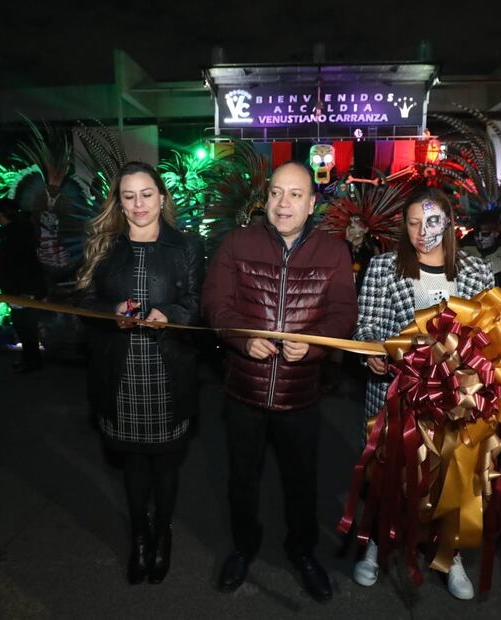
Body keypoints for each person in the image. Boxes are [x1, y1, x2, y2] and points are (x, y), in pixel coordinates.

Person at [202, 161, 357, 602]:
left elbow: (343, 313)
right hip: (243, 392)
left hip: (300, 394)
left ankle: (302, 552)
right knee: (241, 478)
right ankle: (242, 546)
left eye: (294, 194)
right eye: (275, 193)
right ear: (265, 198)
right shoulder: (237, 242)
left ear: (311, 203)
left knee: (301, 480)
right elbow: (215, 303)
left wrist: (313, 345)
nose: (282, 203)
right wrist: (240, 337)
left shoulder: (334, 252)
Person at [352, 187, 495, 600]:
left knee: (451, 479)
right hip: (396, 397)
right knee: (388, 476)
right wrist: (374, 355)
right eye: (413, 222)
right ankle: (377, 544)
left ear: (449, 223)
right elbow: (367, 327)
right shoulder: (382, 267)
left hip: (456, 404)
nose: (421, 231)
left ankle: (450, 555)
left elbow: (490, 336)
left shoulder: (475, 271)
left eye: (431, 221)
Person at [75, 161, 203, 585]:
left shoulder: (186, 246)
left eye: (146, 194)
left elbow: (200, 302)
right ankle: (140, 538)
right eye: (128, 196)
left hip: (169, 370)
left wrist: (174, 314)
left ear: (161, 197)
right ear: (119, 202)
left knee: (166, 464)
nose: (139, 204)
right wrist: (111, 313)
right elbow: (85, 305)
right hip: (121, 369)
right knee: (133, 464)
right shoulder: (105, 246)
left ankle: (162, 533)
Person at [0, 198, 47, 372]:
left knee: (26, 329)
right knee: (23, 328)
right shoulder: (16, 230)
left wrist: (23, 292)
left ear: (1, 214)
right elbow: (2, 232)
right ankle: (29, 361)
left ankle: (32, 363)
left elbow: (23, 265)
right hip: (20, 291)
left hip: (23, 292)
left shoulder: (17, 232)